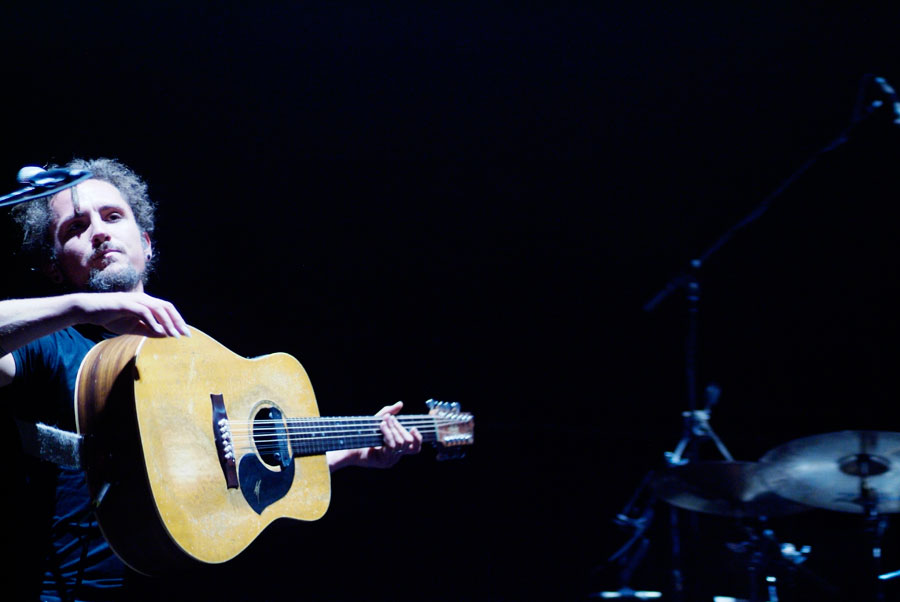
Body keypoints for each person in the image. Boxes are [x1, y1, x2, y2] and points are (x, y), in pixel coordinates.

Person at [0, 157, 423, 601]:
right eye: (75, 228)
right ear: (54, 268)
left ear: (145, 243)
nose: (99, 232)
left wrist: (346, 454)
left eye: (112, 216)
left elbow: (221, 476)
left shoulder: (198, 353)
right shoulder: (49, 346)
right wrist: (80, 307)